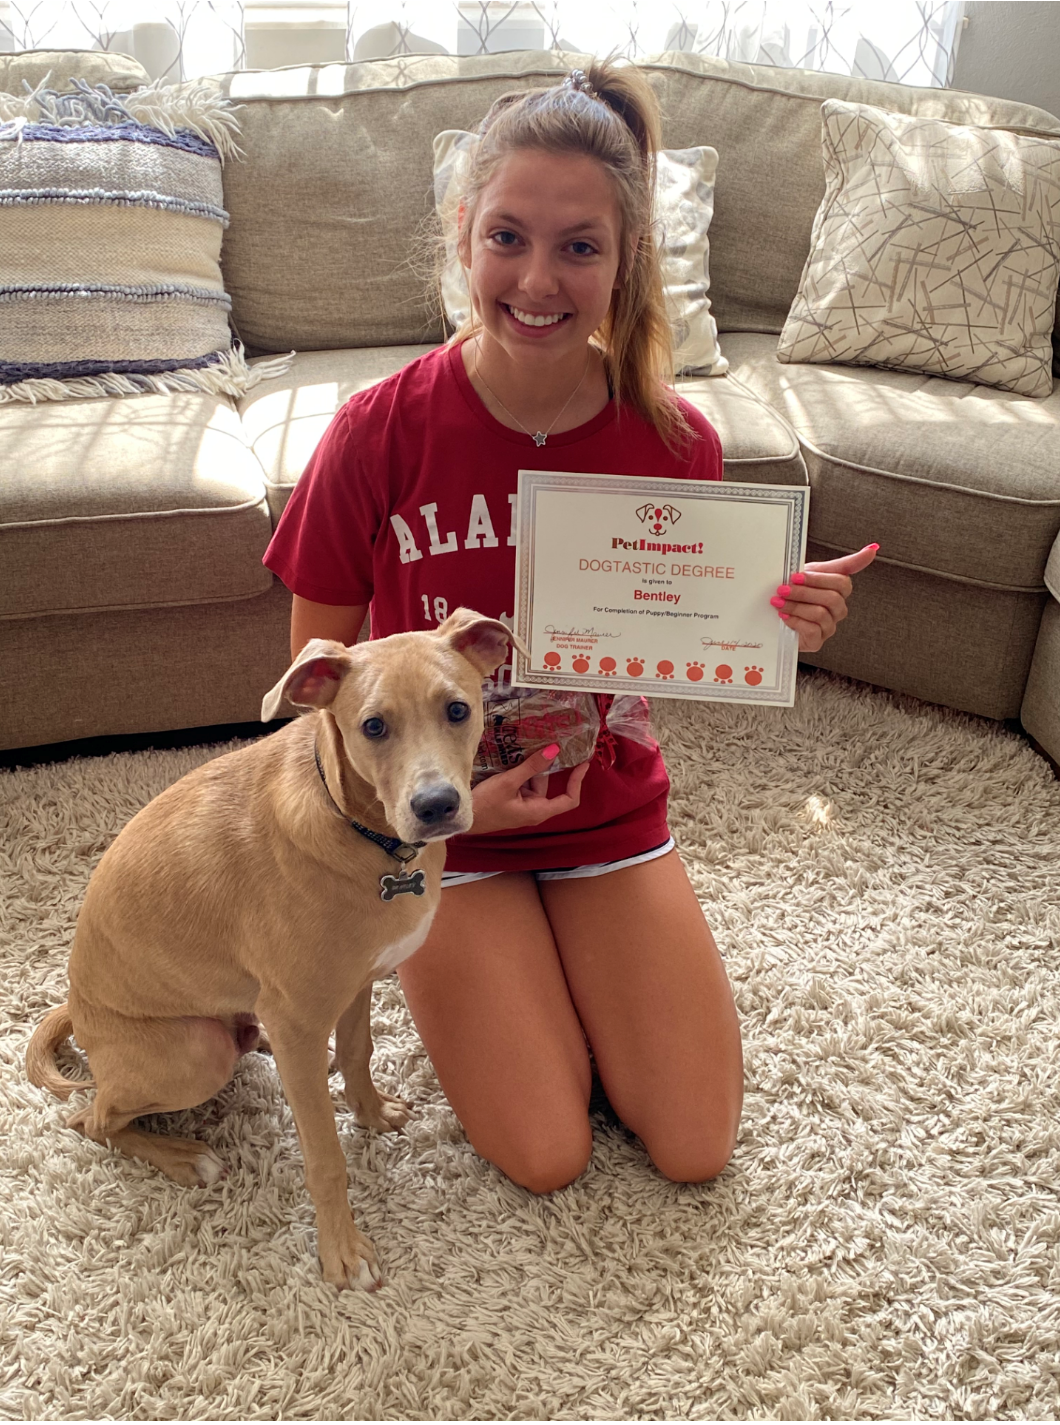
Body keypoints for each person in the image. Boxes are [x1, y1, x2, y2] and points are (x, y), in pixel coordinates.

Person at [263, 60, 877, 1196]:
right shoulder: (375, 434)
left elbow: (684, 631)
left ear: (623, 259)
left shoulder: (674, 441)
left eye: (579, 247)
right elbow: (322, 702)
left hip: (606, 804)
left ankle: (573, 984)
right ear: (460, 233)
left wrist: (778, 621)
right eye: (508, 236)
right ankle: (517, 984)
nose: (538, 279)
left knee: (693, 1145)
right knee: (545, 1153)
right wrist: (436, 821)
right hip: (442, 830)